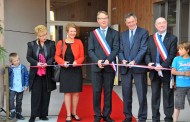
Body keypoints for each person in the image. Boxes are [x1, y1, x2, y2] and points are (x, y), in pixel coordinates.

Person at [88, 11, 119, 122]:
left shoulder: (114, 33)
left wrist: (108, 60)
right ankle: (97, 115)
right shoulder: (93, 34)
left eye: (105, 18)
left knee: (108, 92)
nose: (103, 20)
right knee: (96, 92)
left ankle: (106, 115)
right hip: (96, 68)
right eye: (101, 18)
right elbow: (90, 50)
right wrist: (98, 61)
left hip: (109, 67)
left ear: (108, 19)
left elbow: (116, 49)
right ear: (97, 20)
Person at [145, 17, 177, 122]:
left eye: (163, 22)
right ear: (156, 26)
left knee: (168, 96)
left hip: (167, 71)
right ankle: (155, 118)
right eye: (159, 23)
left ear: (166, 24)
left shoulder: (172, 38)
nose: (161, 25)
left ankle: (168, 118)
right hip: (154, 72)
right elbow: (147, 53)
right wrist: (149, 62)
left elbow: (172, 55)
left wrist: (162, 66)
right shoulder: (151, 38)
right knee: (155, 96)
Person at [118, 13, 148, 122]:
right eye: (128, 22)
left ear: (136, 21)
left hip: (138, 68)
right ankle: (127, 116)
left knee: (141, 95)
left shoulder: (143, 32)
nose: (130, 24)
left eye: (132, 21)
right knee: (126, 94)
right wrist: (123, 60)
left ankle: (142, 117)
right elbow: (120, 50)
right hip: (125, 69)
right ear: (126, 23)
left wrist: (135, 61)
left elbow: (143, 49)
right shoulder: (123, 34)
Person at [54, 23, 84, 122]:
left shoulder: (79, 42)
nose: (73, 33)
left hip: (76, 69)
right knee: (67, 93)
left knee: (76, 93)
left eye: (74, 31)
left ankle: (74, 113)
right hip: (65, 70)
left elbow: (82, 56)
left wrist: (77, 62)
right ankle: (68, 115)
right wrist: (63, 63)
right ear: (67, 32)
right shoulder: (60, 43)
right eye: (71, 31)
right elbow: (56, 56)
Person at [26, 25, 56, 122]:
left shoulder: (51, 44)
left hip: (47, 72)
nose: (45, 37)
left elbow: (52, 56)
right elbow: (29, 57)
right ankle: (33, 115)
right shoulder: (31, 44)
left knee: (46, 94)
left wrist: (47, 63)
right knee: (36, 94)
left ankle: (43, 114)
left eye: (45, 34)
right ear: (37, 35)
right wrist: (37, 63)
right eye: (42, 35)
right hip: (36, 74)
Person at [171, 41, 190, 122]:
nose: (179, 51)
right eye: (178, 49)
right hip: (180, 86)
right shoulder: (176, 59)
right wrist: (184, 73)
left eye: (181, 49)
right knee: (177, 106)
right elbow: (173, 71)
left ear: (187, 50)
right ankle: (174, 121)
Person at [8, 53, 29, 120]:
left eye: (18, 60)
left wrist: (26, 85)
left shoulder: (23, 67)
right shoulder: (10, 68)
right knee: (11, 100)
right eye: (15, 61)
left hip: (20, 87)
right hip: (13, 87)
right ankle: (12, 111)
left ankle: (18, 113)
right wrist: (9, 68)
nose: (17, 62)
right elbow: (7, 74)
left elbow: (26, 76)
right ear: (11, 62)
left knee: (19, 101)